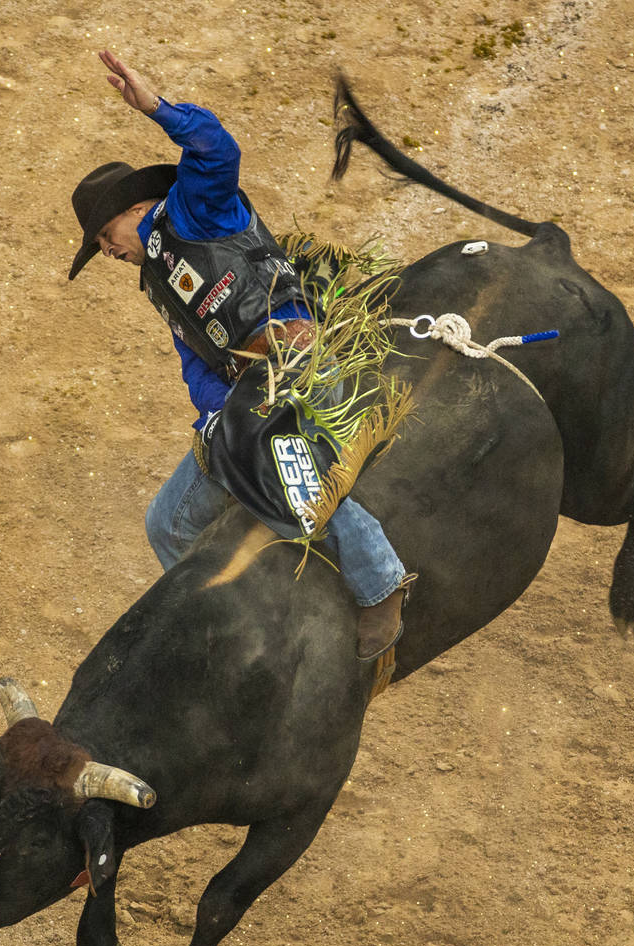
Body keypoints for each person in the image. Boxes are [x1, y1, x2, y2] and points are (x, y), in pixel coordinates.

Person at [68, 50, 412, 659]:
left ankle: (380, 581)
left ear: (133, 209)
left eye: (105, 237)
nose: (108, 251)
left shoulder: (195, 209)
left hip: (296, 367)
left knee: (287, 478)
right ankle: (246, 616)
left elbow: (218, 151)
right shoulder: (156, 280)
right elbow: (196, 360)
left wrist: (156, 108)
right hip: (245, 398)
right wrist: (215, 415)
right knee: (167, 523)